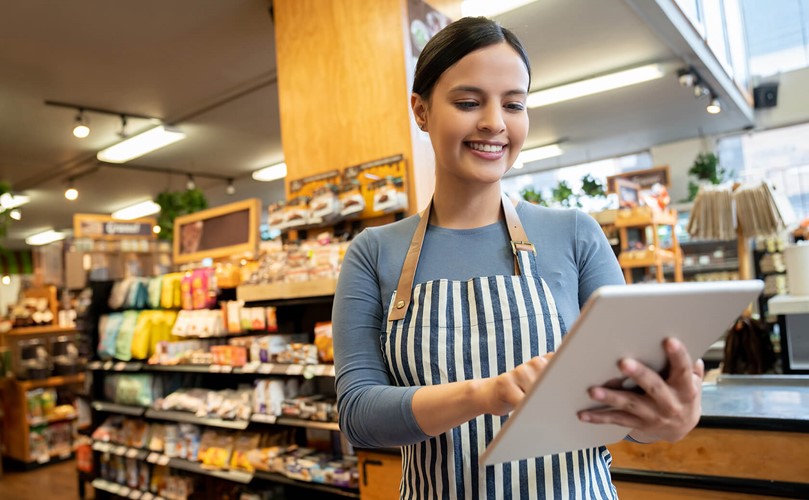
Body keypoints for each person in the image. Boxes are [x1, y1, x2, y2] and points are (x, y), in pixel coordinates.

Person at [333, 16, 703, 499]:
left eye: (514, 104)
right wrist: (484, 395)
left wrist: (666, 421)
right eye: (469, 102)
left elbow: (624, 407)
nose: (494, 122)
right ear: (420, 111)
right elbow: (359, 415)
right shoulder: (373, 252)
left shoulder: (574, 234)